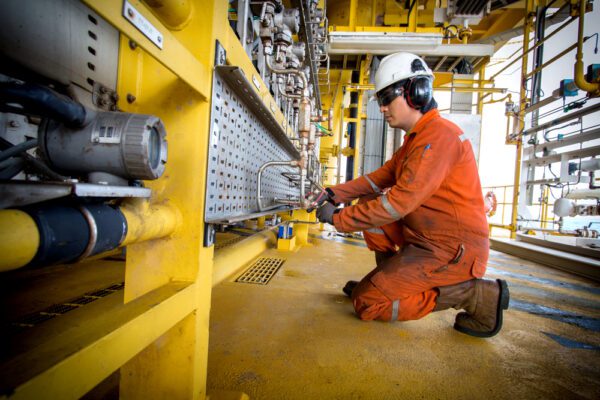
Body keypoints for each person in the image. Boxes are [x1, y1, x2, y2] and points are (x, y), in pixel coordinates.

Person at [313, 52, 509, 338]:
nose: (382, 108)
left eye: (386, 99)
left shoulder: (439, 137)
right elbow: (377, 179)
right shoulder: (417, 140)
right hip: (427, 240)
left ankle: (475, 294)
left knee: (367, 303)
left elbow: (400, 203)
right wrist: (331, 192)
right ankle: (386, 281)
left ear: (415, 92)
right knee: (370, 202)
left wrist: (339, 218)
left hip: (452, 251)